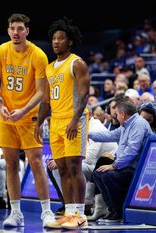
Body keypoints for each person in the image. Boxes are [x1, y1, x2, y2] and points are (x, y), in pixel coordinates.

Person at [0, 13, 55, 228]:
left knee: (36, 162)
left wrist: (23, 109)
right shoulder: (0, 51)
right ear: (8, 31)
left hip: (29, 117)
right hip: (6, 116)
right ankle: (15, 213)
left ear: (27, 31)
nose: (16, 33)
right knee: (10, 164)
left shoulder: (38, 55)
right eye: (12, 29)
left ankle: (47, 211)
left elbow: (40, 91)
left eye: (20, 28)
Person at [35, 17, 90, 229]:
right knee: (62, 169)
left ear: (70, 42)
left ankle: (81, 214)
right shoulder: (49, 68)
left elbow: (84, 95)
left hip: (74, 119)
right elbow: (46, 100)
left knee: (75, 167)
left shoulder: (77, 63)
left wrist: (75, 119)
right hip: (55, 121)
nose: (56, 42)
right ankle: (68, 213)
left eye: (61, 38)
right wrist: (39, 123)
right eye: (54, 39)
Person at [90, 96, 152, 222]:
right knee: (97, 174)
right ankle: (112, 210)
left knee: (108, 175)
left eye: (117, 113)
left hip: (136, 169)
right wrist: (87, 134)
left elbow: (132, 150)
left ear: (123, 114)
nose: (116, 116)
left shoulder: (138, 124)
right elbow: (109, 135)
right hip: (125, 167)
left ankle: (117, 212)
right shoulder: (125, 125)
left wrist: (114, 165)